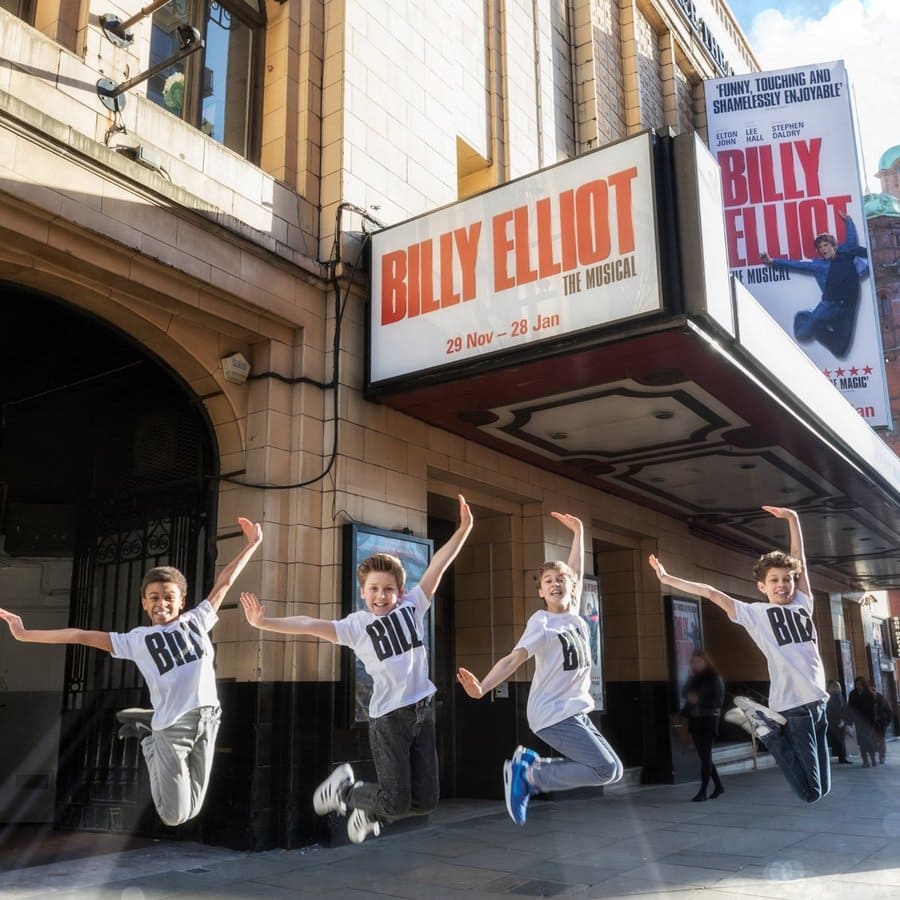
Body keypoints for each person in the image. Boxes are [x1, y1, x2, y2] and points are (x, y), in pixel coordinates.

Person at [240, 495, 473, 844]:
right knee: (395, 801)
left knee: (425, 801)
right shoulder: (356, 625)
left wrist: (464, 530)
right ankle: (347, 791)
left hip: (424, 712)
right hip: (390, 719)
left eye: (388, 590)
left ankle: (369, 810)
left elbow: (437, 567)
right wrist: (265, 622)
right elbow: (309, 624)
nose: (381, 596)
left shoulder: (413, 607)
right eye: (374, 590)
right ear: (363, 593)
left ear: (401, 591)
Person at [0, 516, 263, 826]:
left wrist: (253, 544)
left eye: (169, 598)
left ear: (181, 602)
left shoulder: (198, 619)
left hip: (208, 719)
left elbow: (224, 583)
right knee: (174, 815)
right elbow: (80, 635)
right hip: (172, 727)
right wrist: (25, 634)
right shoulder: (136, 640)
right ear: (144, 603)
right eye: (154, 598)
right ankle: (149, 736)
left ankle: (149, 727)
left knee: (193, 808)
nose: (161, 603)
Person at [648, 506, 830, 804]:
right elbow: (712, 593)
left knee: (823, 791)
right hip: (795, 706)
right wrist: (668, 579)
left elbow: (801, 562)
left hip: (819, 702)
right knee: (810, 793)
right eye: (774, 580)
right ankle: (767, 730)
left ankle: (767, 727)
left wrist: (793, 520)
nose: (782, 585)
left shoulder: (803, 604)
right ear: (762, 586)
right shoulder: (754, 613)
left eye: (787, 579)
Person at [457, 513, 623, 826]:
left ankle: (530, 767)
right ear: (541, 592)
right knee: (602, 768)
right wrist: (482, 688)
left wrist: (579, 532)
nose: (556, 583)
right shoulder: (541, 622)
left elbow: (575, 570)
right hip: (552, 713)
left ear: (571, 588)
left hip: (574, 711)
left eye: (560, 580)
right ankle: (528, 775)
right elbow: (514, 658)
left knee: (612, 771)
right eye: (548, 581)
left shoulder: (573, 616)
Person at [760, 210, 868, 358]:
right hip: (829, 305)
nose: (823, 249)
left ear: (834, 245)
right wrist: (772, 261)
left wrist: (848, 220)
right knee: (802, 334)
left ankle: (816, 323)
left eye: (825, 245)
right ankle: (805, 316)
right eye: (820, 247)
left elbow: (851, 239)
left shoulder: (846, 253)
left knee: (840, 351)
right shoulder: (819, 266)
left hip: (848, 309)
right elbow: (797, 264)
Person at [682, 651, 725, 801]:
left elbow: (718, 702)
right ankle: (718, 786)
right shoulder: (694, 678)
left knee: (706, 755)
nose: (696, 664)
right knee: (703, 756)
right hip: (695, 719)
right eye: (693, 662)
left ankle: (703, 790)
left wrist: (698, 700)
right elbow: (684, 693)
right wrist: (690, 678)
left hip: (709, 720)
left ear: (706, 662)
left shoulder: (714, 678)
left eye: (699, 661)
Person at [848, 676, 878, 767]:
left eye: (860, 684)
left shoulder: (869, 693)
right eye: (857, 684)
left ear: (863, 684)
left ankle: (872, 758)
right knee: (862, 742)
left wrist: (874, 721)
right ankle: (865, 761)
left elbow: (873, 709)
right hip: (858, 722)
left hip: (868, 721)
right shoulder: (853, 694)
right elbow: (850, 708)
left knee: (868, 741)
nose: (858, 686)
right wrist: (850, 720)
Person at [825, 680, 851, 765]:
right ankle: (841, 757)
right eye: (834, 686)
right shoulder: (830, 697)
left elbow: (845, 709)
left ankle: (842, 757)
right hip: (833, 722)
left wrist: (844, 720)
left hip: (839, 721)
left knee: (841, 741)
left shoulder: (839, 696)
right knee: (838, 741)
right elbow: (829, 711)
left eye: (836, 686)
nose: (835, 688)